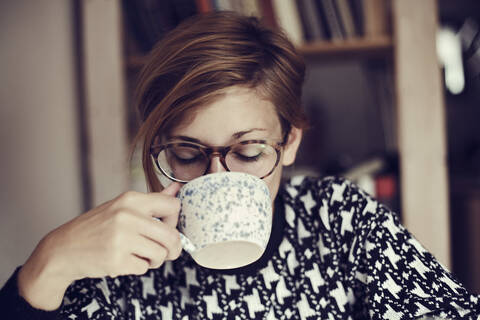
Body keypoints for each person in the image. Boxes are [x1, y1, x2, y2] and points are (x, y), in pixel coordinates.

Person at [1, 11, 479, 320]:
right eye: (185, 154)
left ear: (289, 142)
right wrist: (46, 267)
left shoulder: (339, 219)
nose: (217, 179)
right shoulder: (118, 258)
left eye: (249, 153)